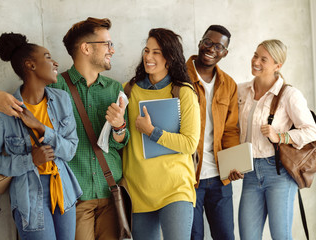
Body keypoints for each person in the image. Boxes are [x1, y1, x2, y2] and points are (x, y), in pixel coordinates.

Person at [0, 18, 129, 240]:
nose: (113, 49)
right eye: (107, 44)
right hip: (74, 197)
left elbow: (122, 141)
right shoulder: (55, 88)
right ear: (86, 48)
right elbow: (25, 95)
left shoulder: (114, 88)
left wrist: (119, 127)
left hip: (111, 193)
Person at [0, 32, 82, 240]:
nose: (55, 62)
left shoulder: (62, 100)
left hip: (64, 190)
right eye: (47, 56)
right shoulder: (2, 113)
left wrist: (42, 128)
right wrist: (30, 161)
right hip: (29, 197)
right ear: (30, 65)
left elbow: (70, 150)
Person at [229, 39, 316, 239]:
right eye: (255, 55)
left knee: (280, 236)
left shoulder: (289, 94)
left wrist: (281, 136)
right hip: (250, 173)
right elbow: (233, 130)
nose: (256, 61)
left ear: (278, 66)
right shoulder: (241, 91)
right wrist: (233, 163)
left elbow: (312, 130)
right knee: (247, 236)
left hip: (278, 174)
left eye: (263, 59)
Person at [123, 28, 200, 240]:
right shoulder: (129, 91)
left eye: (156, 52)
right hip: (139, 188)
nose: (148, 57)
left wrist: (152, 132)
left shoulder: (184, 91)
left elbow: (189, 144)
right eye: (147, 50)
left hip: (176, 188)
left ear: (170, 57)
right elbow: (119, 140)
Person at [185, 25, 240, 240]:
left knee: (226, 236)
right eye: (208, 42)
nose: (211, 48)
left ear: (225, 53)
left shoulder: (229, 84)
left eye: (218, 46)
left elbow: (230, 129)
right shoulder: (179, 76)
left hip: (220, 178)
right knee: (193, 236)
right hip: (189, 177)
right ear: (200, 42)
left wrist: (234, 164)